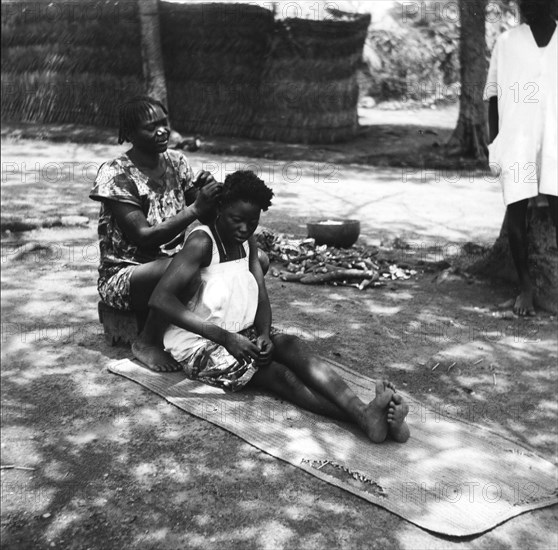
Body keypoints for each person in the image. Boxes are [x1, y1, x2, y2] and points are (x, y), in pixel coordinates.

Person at [150, 170, 410, 443]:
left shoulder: (247, 242)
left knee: (292, 345)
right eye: (236, 220)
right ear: (219, 209)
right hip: (202, 343)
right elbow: (159, 299)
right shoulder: (202, 243)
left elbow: (261, 295)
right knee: (278, 375)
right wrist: (225, 338)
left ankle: (367, 414)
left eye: (252, 222)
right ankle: (365, 416)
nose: (244, 229)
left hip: (242, 333)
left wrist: (263, 334)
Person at [90, 95, 222, 371]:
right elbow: (143, 236)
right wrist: (196, 208)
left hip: (174, 266)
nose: (162, 131)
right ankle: (146, 341)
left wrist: (206, 196)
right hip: (125, 276)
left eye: (164, 123)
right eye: (152, 127)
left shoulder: (177, 162)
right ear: (129, 134)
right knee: (184, 269)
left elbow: (206, 216)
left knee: (248, 260)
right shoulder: (115, 174)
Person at [484, 0, 558, 316]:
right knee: (517, 212)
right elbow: (493, 95)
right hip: (517, 139)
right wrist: (495, 142)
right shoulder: (507, 43)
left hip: (555, 140)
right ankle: (525, 288)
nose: (532, 8)